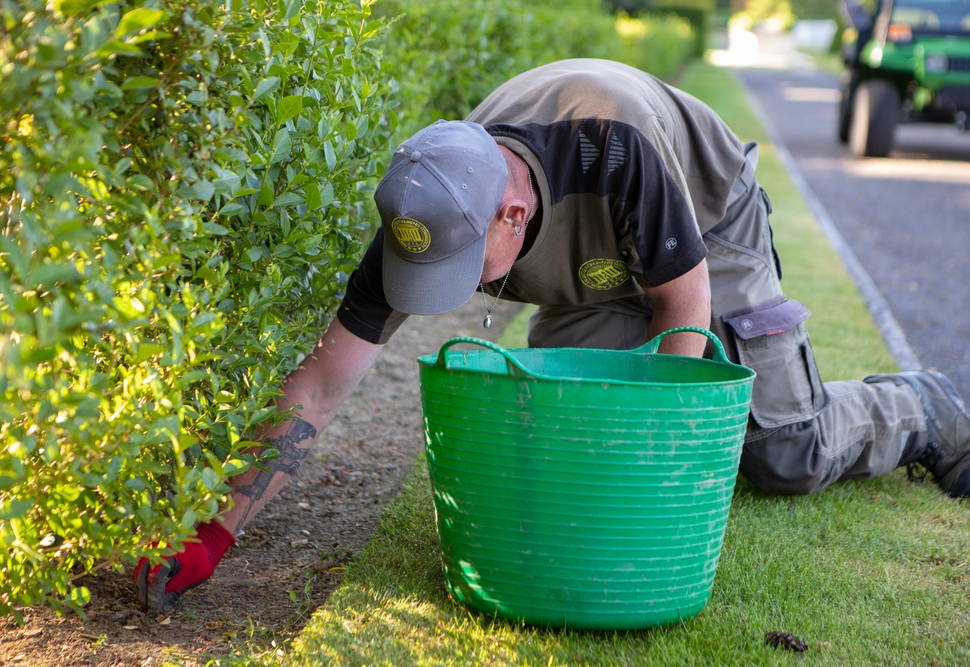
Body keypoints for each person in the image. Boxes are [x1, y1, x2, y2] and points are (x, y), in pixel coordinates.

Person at [133, 58, 970, 614]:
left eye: (465, 270)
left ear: (515, 211)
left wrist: (661, 477)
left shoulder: (614, 144)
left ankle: (923, 407)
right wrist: (214, 529)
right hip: (594, 266)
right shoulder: (426, 205)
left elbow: (683, 301)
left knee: (783, 453)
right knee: (569, 438)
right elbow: (321, 382)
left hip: (707, 230)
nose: (455, 290)